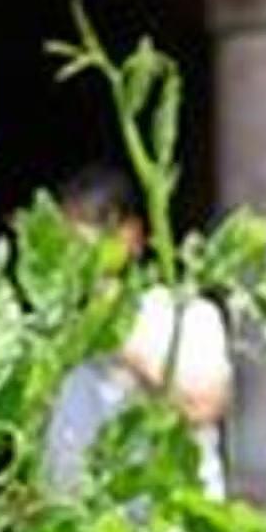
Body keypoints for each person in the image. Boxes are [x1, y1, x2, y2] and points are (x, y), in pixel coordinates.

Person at [41, 164, 234, 501]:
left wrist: (115, 333)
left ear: (130, 237)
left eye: (79, 245)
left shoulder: (184, 314)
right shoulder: (50, 325)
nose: (66, 259)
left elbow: (202, 404)